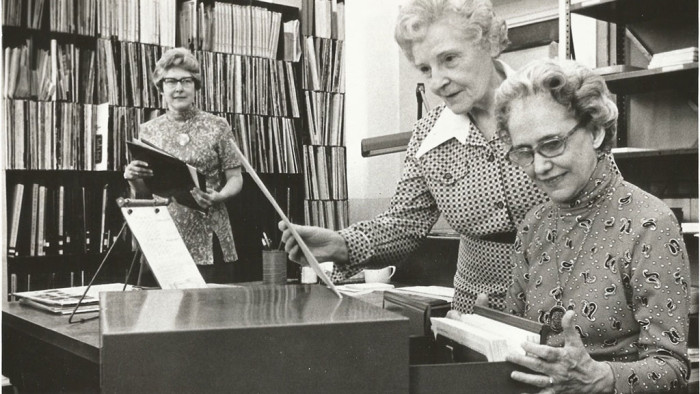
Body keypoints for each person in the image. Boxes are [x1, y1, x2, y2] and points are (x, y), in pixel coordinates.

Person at [279, 0, 547, 313]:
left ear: (487, 43)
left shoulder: (549, 103)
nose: (437, 82)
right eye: (425, 69)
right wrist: (340, 244)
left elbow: (606, 198)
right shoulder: (427, 136)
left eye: (449, 59)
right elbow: (404, 224)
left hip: (563, 301)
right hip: (477, 313)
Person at [494, 58, 690, 393]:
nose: (540, 167)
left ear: (596, 131)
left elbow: (672, 367)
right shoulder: (533, 226)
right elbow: (523, 343)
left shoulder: (650, 223)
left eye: (552, 144)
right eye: (525, 152)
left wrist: (600, 378)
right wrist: (487, 330)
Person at [124, 47, 244, 284]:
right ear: (162, 88)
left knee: (210, 314)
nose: (178, 88)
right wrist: (133, 177)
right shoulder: (148, 130)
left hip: (210, 233)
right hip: (164, 235)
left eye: (186, 81)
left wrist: (219, 196)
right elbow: (146, 193)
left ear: (195, 86)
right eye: (171, 82)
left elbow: (236, 178)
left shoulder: (218, 126)